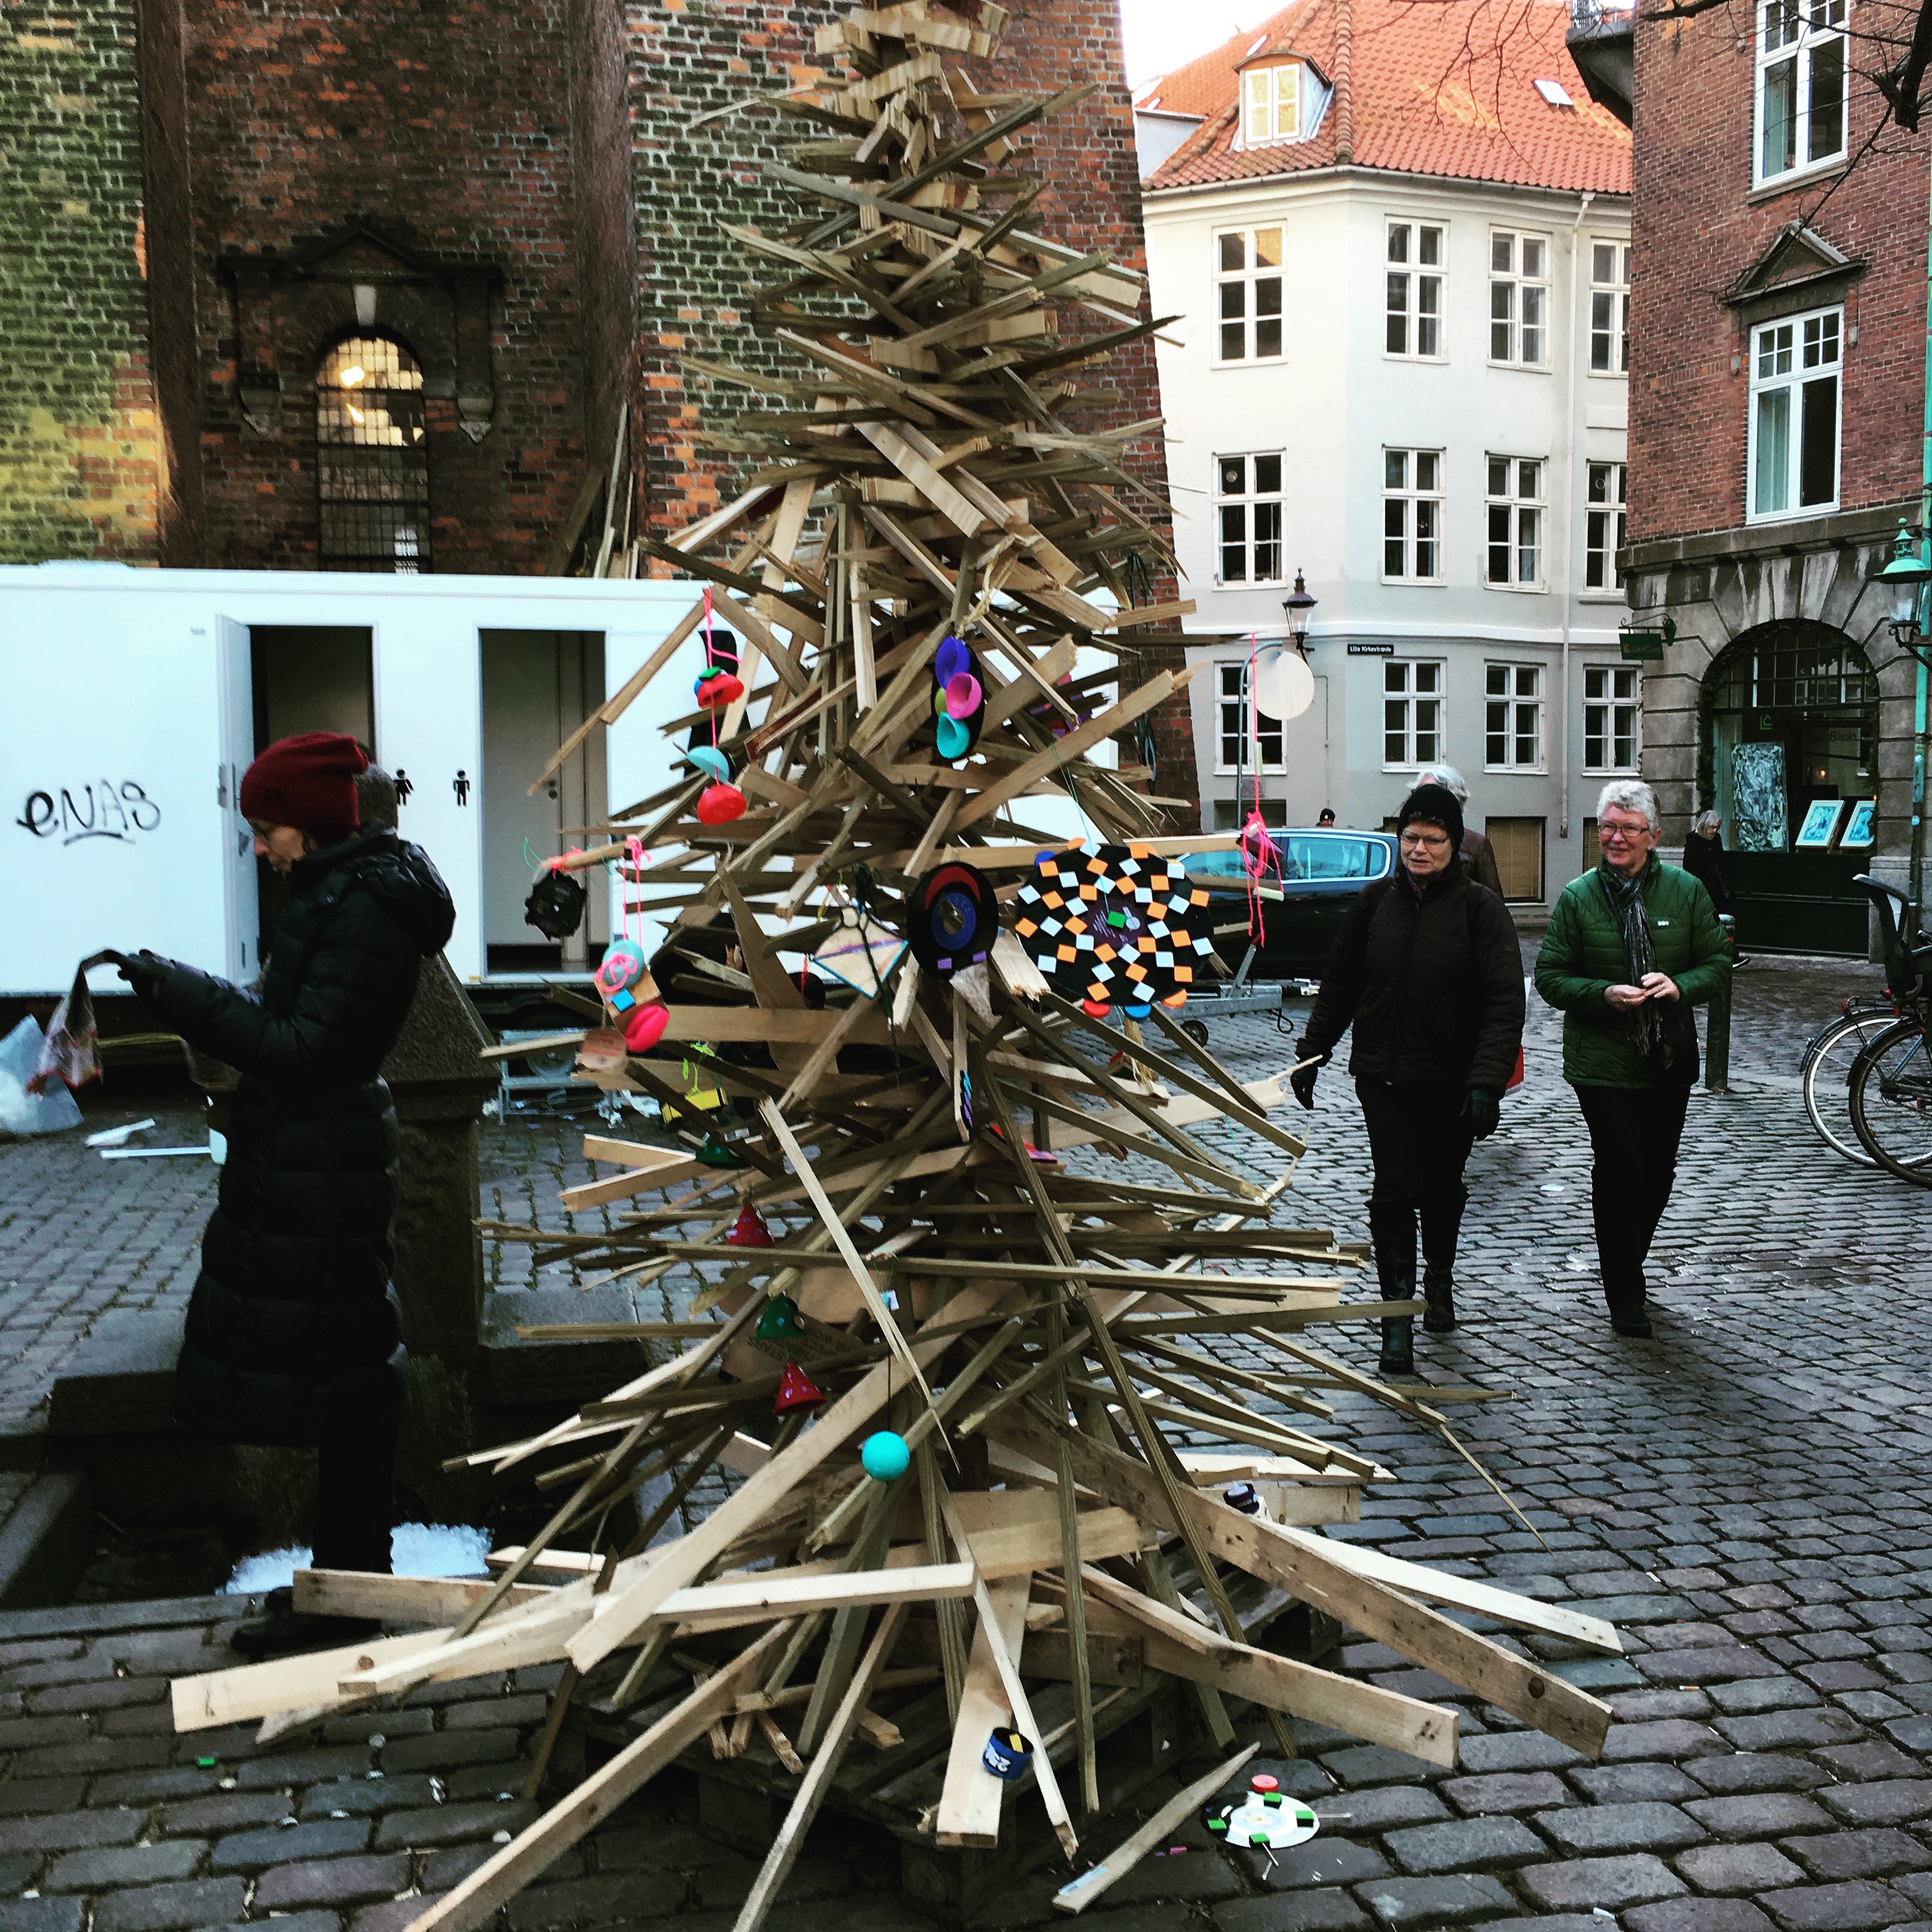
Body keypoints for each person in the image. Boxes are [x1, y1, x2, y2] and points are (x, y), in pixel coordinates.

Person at [111, 733, 455, 1656]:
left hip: (328, 1168)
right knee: (346, 1378)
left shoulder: (364, 909)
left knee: (348, 1386)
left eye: (268, 828)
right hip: (317, 1161)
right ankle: (349, 1585)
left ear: (309, 823)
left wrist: (190, 1000)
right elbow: (293, 1025)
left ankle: (347, 1597)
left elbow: (307, 1050)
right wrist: (191, 992)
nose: (260, 847)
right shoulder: (344, 894)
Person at [1291, 783, 1525, 1377]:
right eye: (1411, 838)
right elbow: (1340, 984)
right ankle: (1396, 1316)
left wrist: (1487, 1082)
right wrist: (1312, 1051)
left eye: (1433, 840)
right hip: (1385, 1076)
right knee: (1393, 1191)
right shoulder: (1374, 903)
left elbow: (1504, 1004)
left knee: (1443, 1188)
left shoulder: (1480, 910)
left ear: (1455, 844)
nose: (1419, 849)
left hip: (1452, 1080)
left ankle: (1439, 1281)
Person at [1534, 779, 1729, 1338]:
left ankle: (1627, 1257)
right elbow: (1550, 976)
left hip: (1667, 1058)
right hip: (1601, 1062)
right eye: (1608, 828)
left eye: (1628, 829)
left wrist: (1679, 985)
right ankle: (1624, 1291)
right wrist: (1602, 994)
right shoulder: (1579, 897)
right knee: (1621, 1168)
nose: (1616, 838)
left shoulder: (1687, 892)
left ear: (1654, 836)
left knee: (1658, 1172)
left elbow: (1718, 963)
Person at [1416, 764, 1505, 899]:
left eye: (1430, 793)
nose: (1421, 800)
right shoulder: (1409, 840)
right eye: (1419, 793)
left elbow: (1494, 900)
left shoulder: (1476, 844)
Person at [1680, 808, 1733, 918]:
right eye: (1712, 827)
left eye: (1717, 828)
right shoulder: (1694, 842)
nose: (1714, 831)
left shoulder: (1716, 839)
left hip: (1717, 888)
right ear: (1704, 826)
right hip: (1703, 888)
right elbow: (1689, 867)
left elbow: (1721, 860)